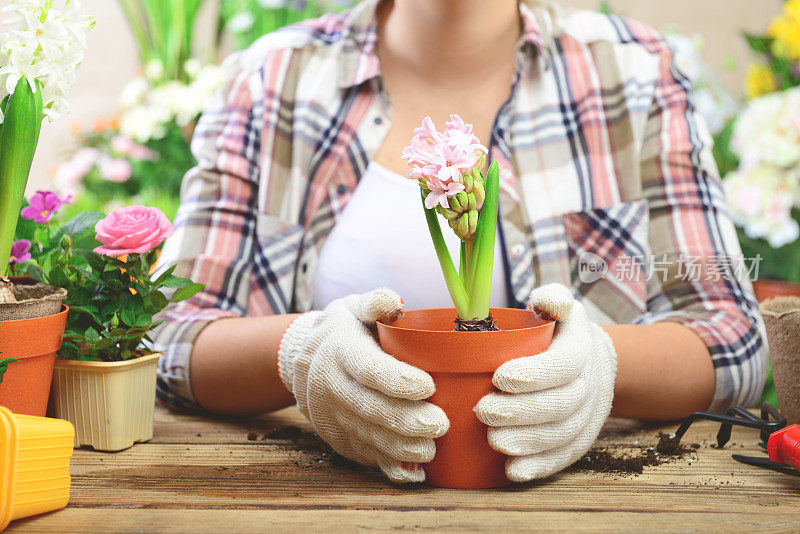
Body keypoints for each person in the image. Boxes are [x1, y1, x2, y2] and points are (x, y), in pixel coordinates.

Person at [151, 0, 767, 483]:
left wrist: (600, 363)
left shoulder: (633, 70)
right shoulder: (273, 77)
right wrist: (303, 355)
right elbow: (171, 335)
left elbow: (733, 337)